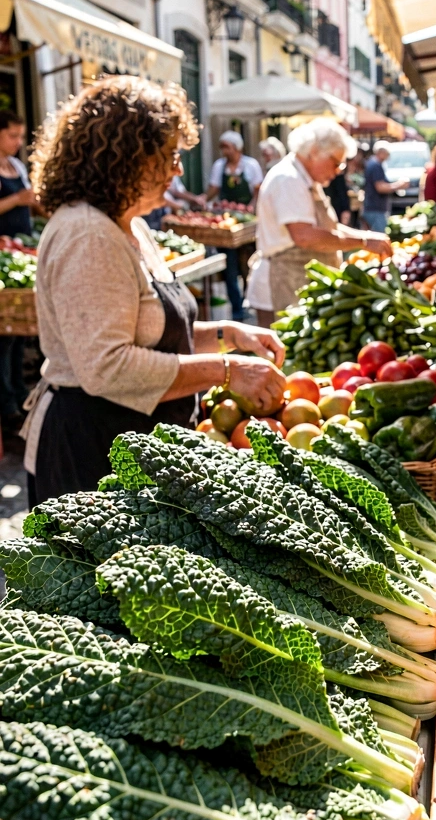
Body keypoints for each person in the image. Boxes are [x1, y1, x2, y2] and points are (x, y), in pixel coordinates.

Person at [24, 75, 286, 503]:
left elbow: (150, 331)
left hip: (136, 444)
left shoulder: (130, 226)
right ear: (126, 158)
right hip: (94, 453)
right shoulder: (88, 236)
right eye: (168, 156)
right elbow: (108, 366)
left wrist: (228, 335)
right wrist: (226, 370)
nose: (178, 170)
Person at [247, 118, 393, 327]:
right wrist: (362, 240)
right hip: (283, 281)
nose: (338, 170)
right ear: (314, 151)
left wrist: (365, 237)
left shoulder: (305, 179)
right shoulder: (288, 179)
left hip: (297, 280)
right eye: (336, 163)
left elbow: (326, 229)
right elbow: (305, 235)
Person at [0, 111, 43, 428]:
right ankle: (7, 402)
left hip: (22, 251)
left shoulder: (16, 166)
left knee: (17, 336)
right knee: (4, 336)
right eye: (12, 136)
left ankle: (18, 392)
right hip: (3, 258)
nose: (18, 142)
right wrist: (17, 199)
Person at [206, 130, 264, 320]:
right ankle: (237, 308)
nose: (224, 151)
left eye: (227, 147)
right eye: (222, 147)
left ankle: (250, 302)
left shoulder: (250, 165)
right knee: (229, 268)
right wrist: (203, 200)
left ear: (237, 148)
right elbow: (214, 188)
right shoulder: (219, 166)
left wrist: (251, 209)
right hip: (226, 222)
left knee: (248, 264)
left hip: (247, 223)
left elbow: (258, 190)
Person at [362, 141, 408, 232]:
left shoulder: (374, 164)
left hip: (374, 207)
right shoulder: (375, 165)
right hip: (375, 208)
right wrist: (399, 185)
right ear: (381, 152)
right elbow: (380, 187)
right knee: (379, 237)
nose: (388, 156)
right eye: (387, 153)